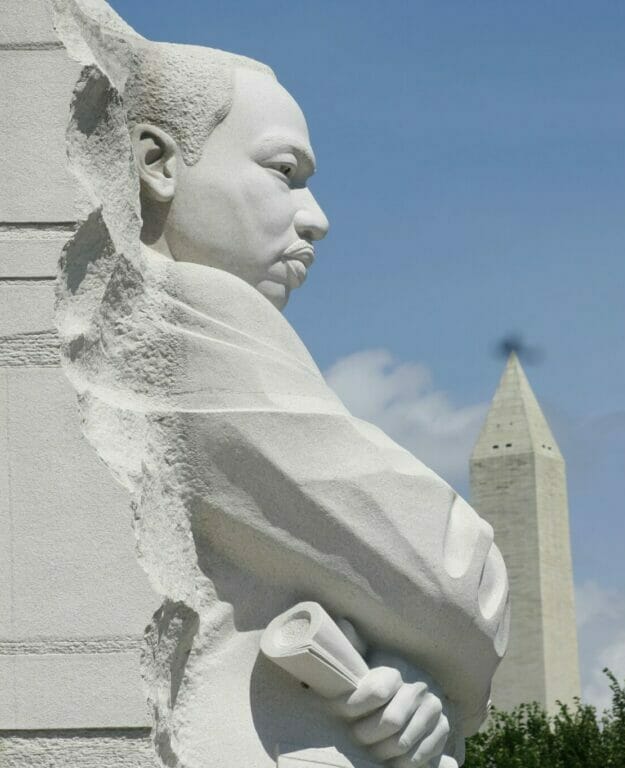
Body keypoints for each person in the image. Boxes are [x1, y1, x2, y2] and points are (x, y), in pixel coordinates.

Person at [63, 34, 509, 768]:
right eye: (284, 172)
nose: (315, 217)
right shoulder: (192, 322)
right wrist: (436, 654)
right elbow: (461, 585)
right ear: (157, 164)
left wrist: (413, 675)